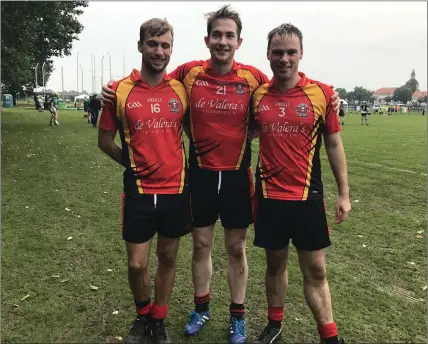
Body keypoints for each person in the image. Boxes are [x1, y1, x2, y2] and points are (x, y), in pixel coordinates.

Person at [102, 6, 341, 344]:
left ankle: (237, 316)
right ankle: (201, 308)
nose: (223, 41)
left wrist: (333, 98)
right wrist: (111, 89)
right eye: (217, 35)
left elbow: (285, 87)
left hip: (235, 177)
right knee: (200, 245)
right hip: (199, 176)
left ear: (239, 41)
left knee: (235, 247)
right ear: (207, 39)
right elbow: (150, 84)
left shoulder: (254, 78)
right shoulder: (188, 73)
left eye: (230, 35)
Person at [249, 23, 350, 344]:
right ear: (268, 54)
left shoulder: (321, 93)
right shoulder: (258, 95)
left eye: (291, 52)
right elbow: (244, 129)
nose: (284, 58)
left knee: (317, 271)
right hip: (269, 198)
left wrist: (344, 194)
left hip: (308, 197)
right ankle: (274, 323)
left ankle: (329, 335)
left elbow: (334, 144)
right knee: (275, 265)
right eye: (277, 52)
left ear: (301, 54)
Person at [98, 18, 192, 344]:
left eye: (165, 45)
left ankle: (159, 320)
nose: (159, 51)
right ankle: (142, 314)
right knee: (137, 265)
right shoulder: (119, 91)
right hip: (138, 192)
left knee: (167, 258)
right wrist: (133, 163)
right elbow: (105, 140)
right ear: (140, 46)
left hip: (175, 192)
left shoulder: (182, 89)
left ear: (171, 49)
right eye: (153, 44)